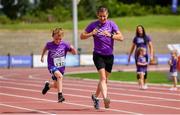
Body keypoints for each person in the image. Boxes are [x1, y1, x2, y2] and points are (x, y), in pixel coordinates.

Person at [80, 6, 124, 109]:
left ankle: (95, 96)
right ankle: (105, 99)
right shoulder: (93, 25)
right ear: (97, 15)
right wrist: (91, 33)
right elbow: (82, 36)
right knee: (103, 78)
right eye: (100, 16)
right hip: (98, 55)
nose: (102, 18)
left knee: (104, 80)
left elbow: (121, 37)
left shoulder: (112, 24)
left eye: (104, 16)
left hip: (109, 56)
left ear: (107, 15)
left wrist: (110, 35)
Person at [41, 27, 77, 102]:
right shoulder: (49, 44)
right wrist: (42, 57)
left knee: (56, 85)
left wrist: (73, 49)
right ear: (53, 37)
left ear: (62, 38)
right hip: (52, 66)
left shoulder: (65, 44)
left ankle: (48, 86)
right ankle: (60, 96)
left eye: (59, 39)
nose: (57, 41)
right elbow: (45, 49)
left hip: (61, 67)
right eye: (56, 39)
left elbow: (74, 53)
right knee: (60, 77)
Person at [128, 25, 154, 89]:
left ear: (143, 29)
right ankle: (140, 83)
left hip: (145, 56)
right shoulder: (136, 38)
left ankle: (145, 83)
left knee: (145, 69)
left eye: (140, 29)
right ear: (137, 30)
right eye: (138, 29)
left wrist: (151, 56)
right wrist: (129, 56)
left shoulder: (147, 37)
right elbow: (132, 47)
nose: (139, 30)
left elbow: (151, 47)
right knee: (139, 69)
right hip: (137, 55)